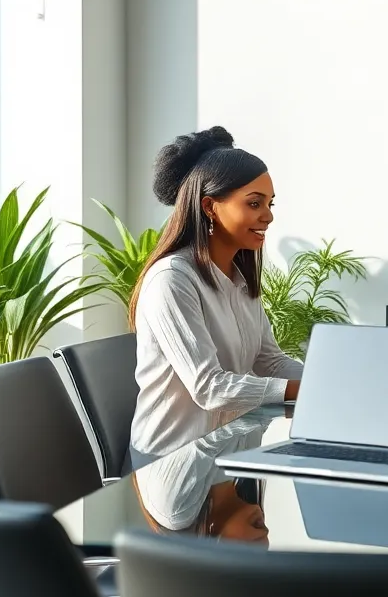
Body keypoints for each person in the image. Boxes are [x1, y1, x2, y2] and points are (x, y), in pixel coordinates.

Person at [128, 126, 303, 463]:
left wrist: (327, 379)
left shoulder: (240, 279)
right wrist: (307, 389)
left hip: (229, 449)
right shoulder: (171, 280)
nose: (268, 216)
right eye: (254, 203)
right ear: (210, 207)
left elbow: (269, 361)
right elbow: (209, 387)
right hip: (172, 462)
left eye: (269, 204)